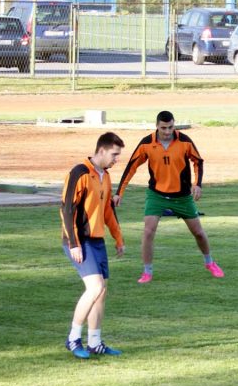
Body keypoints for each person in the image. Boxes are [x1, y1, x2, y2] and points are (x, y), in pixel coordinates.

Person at [114, 110, 224, 283]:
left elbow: (198, 161)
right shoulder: (146, 143)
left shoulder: (184, 141)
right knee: (148, 232)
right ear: (157, 126)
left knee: (198, 233)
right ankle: (147, 272)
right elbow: (131, 167)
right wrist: (119, 192)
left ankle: (209, 262)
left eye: (170, 127)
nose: (167, 131)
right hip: (156, 195)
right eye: (163, 128)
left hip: (182, 196)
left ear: (174, 125)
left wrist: (198, 184)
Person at [60, 132, 126, 359]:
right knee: (95, 287)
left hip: (97, 241)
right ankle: (73, 338)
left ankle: (95, 342)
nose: (117, 159)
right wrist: (74, 243)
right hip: (79, 240)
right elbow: (67, 209)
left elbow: (108, 211)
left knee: (102, 291)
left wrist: (118, 238)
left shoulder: (105, 176)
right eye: (114, 154)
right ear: (101, 151)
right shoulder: (79, 173)